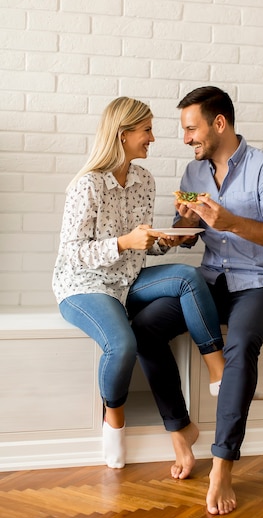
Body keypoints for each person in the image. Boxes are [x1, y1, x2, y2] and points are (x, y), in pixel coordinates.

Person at [132, 86, 263, 515]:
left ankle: (223, 464)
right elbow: (190, 229)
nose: (186, 138)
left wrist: (232, 222)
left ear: (219, 123)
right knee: (145, 328)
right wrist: (179, 230)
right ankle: (180, 427)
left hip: (261, 285)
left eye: (192, 129)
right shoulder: (194, 175)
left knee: (241, 345)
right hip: (211, 282)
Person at [52, 96, 225, 470]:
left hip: (127, 281)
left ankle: (218, 371)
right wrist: (124, 242)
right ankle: (113, 419)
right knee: (122, 343)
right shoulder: (88, 186)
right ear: (123, 134)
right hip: (85, 285)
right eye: (146, 130)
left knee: (188, 276)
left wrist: (166, 240)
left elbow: (140, 250)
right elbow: (72, 253)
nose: (152, 138)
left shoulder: (144, 180)